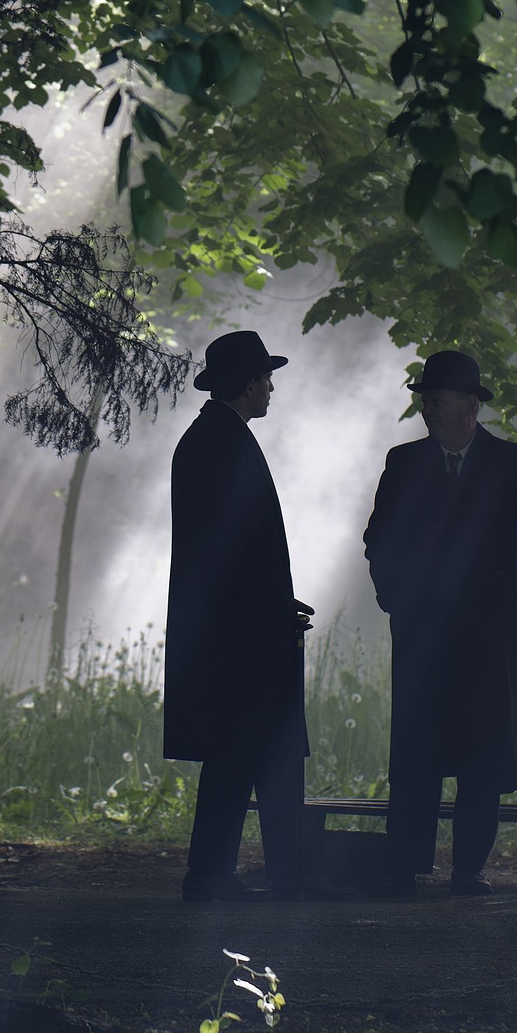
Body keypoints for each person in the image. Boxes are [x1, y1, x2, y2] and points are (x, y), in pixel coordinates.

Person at [363, 350, 517, 897]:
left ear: (470, 407)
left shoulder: (513, 463)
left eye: (437, 401)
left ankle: (468, 867)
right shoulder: (403, 463)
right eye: (426, 401)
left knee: (483, 752)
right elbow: (380, 539)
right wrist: (396, 598)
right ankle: (404, 867)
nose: (428, 411)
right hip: (422, 631)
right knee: (416, 752)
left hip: (487, 634)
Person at [163, 330, 317, 903]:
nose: (272, 389)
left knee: (237, 755)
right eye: (267, 379)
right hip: (240, 637)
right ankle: (235, 874)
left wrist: (278, 603)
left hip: (237, 629)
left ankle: (225, 873)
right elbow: (233, 544)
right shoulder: (221, 443)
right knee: (245, 752)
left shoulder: (213, 438)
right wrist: (275, 604)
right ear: (250, 384)